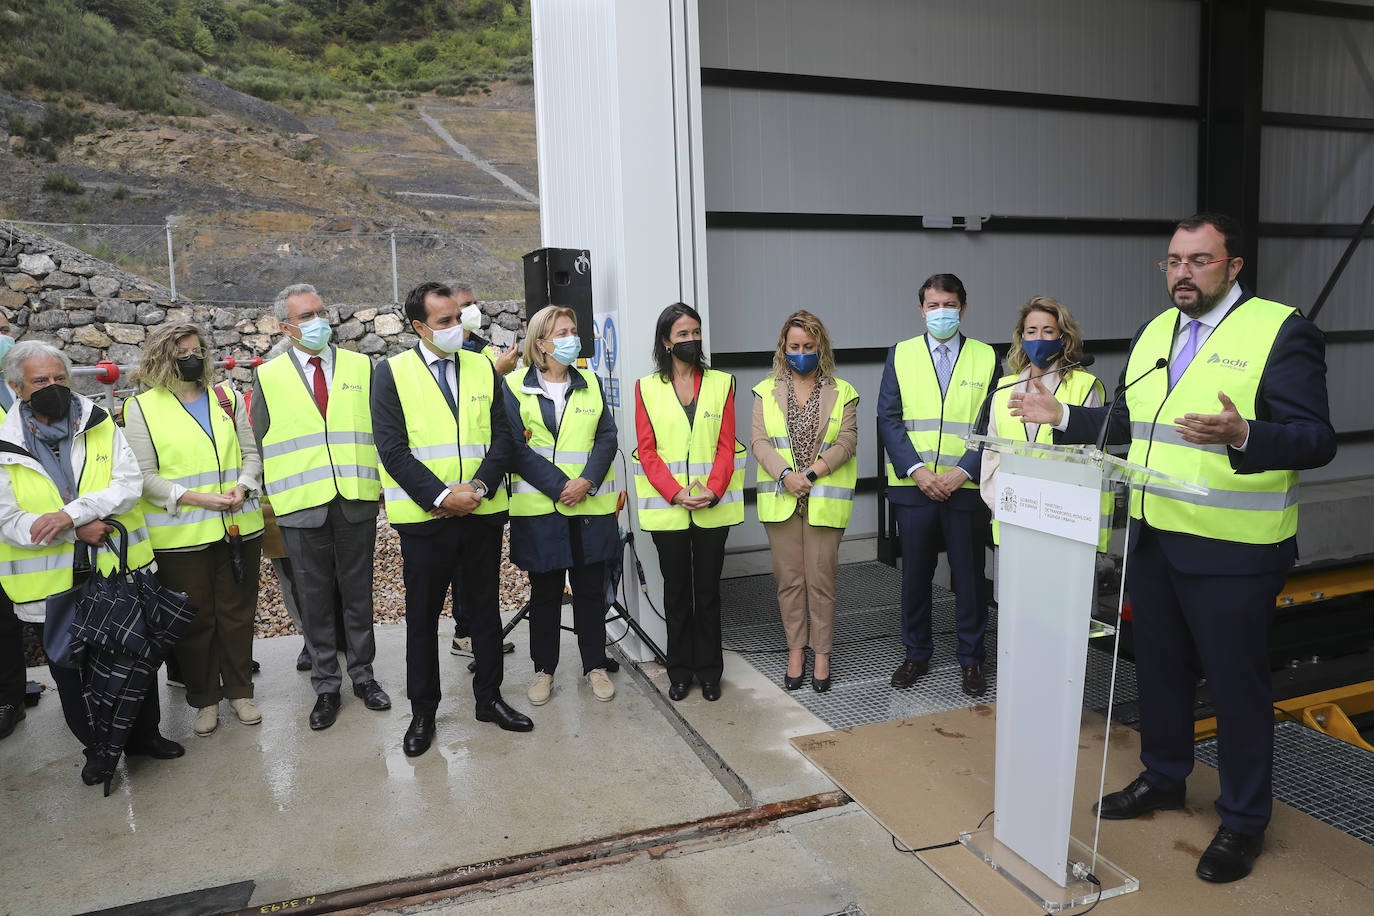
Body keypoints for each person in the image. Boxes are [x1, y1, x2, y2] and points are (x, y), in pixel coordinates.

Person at [1010, 212, 1336, 883]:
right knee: (1157, 670)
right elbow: (1136, 422)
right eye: (1174, 261)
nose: (1183, 273)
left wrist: (1245, 434)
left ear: (1233, 267)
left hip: (1235, 550)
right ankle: (1164, 778)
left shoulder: (1280, 329)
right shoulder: (1156, 331)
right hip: (1156, 538)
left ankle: (1243, 821)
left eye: (1199, 260)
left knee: (1237, 686)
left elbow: (1315, 439)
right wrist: (1065, 418)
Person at [0, 341, 183, 782]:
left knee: (133, 656)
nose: (53, 387)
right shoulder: (5, 443)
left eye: (59, 378)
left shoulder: (99, 421)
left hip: (115, 570)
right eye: (40, 381)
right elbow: (7, 519)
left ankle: (145, 738)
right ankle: (98, 750)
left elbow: (127, 483)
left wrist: (70, 513)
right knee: (70, 670)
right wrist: (73, 529)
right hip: (54, 583)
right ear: (15, 387)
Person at [373, 281, 531, 758]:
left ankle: (490, 699)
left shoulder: (483, 367)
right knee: (423, 617)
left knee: (485, 610)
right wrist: (443, 495)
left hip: (481, 513)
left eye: (457, 318)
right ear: (419, 327)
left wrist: (479, 488)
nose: (456, 328)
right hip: (427, 521)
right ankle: (423, 712)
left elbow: (503, 436)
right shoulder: (392, 372)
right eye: (444, 322)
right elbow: (392, 448)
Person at [251, 283, 391, 731]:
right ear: (284, 326)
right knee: (313, 599)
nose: (318, 323)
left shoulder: (360, 365)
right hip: (302, 505)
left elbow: (376, 427)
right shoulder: (268, 375)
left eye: (321, 312)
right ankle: (326, 684)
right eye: (306, 316)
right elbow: (262, 436)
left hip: (354, 499)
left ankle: (364, 676)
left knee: (358, 593)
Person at [124, 323, 265, 738]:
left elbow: (251, 454)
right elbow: (144, 477)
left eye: (196, 349)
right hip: (181, 537)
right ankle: (205, 699)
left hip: (238, 528)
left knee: (237, 614)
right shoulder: (142, 408)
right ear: (161, 357)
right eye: (181, 351)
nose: (191, 358)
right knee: (195, 620)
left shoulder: (227, 398)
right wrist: (195, 498)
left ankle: (240, 692)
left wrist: (244, 484)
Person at [877, 273, 997, 697]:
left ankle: (971, 660)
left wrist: (963, 470)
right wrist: (918, 471)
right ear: (921, 309)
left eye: (948, 305)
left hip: (965, 487)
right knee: (915, 576)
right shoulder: (901, 354)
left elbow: (991, 424)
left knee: (969, 577)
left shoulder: (986, 357)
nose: (940, 312)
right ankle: (916, 653)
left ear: (963, 308)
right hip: (916, 488)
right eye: (933, 305)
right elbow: (888, 419)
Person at [504, 305, 619, 706]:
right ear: (541, 343)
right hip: (541, 511)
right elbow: (513, 447)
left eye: (573, 329)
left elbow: (607, 438)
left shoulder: (590, 381)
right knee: (546, 595)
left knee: (590, 591)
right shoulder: (515, 385)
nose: (573, 337)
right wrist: (559, 487)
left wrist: (586, 482)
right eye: (563, 332)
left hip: (588, 508)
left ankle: (595, 665)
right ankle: (544, 670)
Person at [633, 302, 745, 702]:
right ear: (666, 341)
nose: (692, 340)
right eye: (682, 334)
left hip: (713, 506)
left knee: (709, 591)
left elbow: (726, 445)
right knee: (677, 592)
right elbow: (647, 451)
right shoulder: (646, 387)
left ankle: (710, 672)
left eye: (696, 332)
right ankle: (679, 671)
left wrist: (713, 489)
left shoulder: (722, 382)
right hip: (670, 508)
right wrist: (674, 492)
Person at [750, 310, 858, 693]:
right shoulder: (765, 391)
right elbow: (759, 442)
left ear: (820, 347)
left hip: (823, 498)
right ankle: (796, 649)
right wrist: (785, 475)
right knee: (790, 581)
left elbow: (847, 442)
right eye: (794, 346)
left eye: (808, 346)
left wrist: (809, 476)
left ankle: (823, 652)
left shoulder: (842, 390)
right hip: (782, 498)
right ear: (784, 347)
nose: (801, 352)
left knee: (821, 580)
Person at [979, 296, 1105, 551]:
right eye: (1032, 331)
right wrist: (1004, 505)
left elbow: (1090, 461)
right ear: (1021, 338)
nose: (1039, 338)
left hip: (1064, 520)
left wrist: (1051, 508)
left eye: (1048, 331)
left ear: (1063, 337)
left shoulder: (1083, 386)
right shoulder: (1003, 390)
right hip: (1012, 517)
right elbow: (991, 458)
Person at [448, 283, 515, 659]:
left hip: (485, 484)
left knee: (482, 570)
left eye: (472, 306)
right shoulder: (460, 354)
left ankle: (481, 633)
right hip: (452, 491)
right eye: (463, 307)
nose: (470, 312)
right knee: (460, 568)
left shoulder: (481, 348)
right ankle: (465, 632)